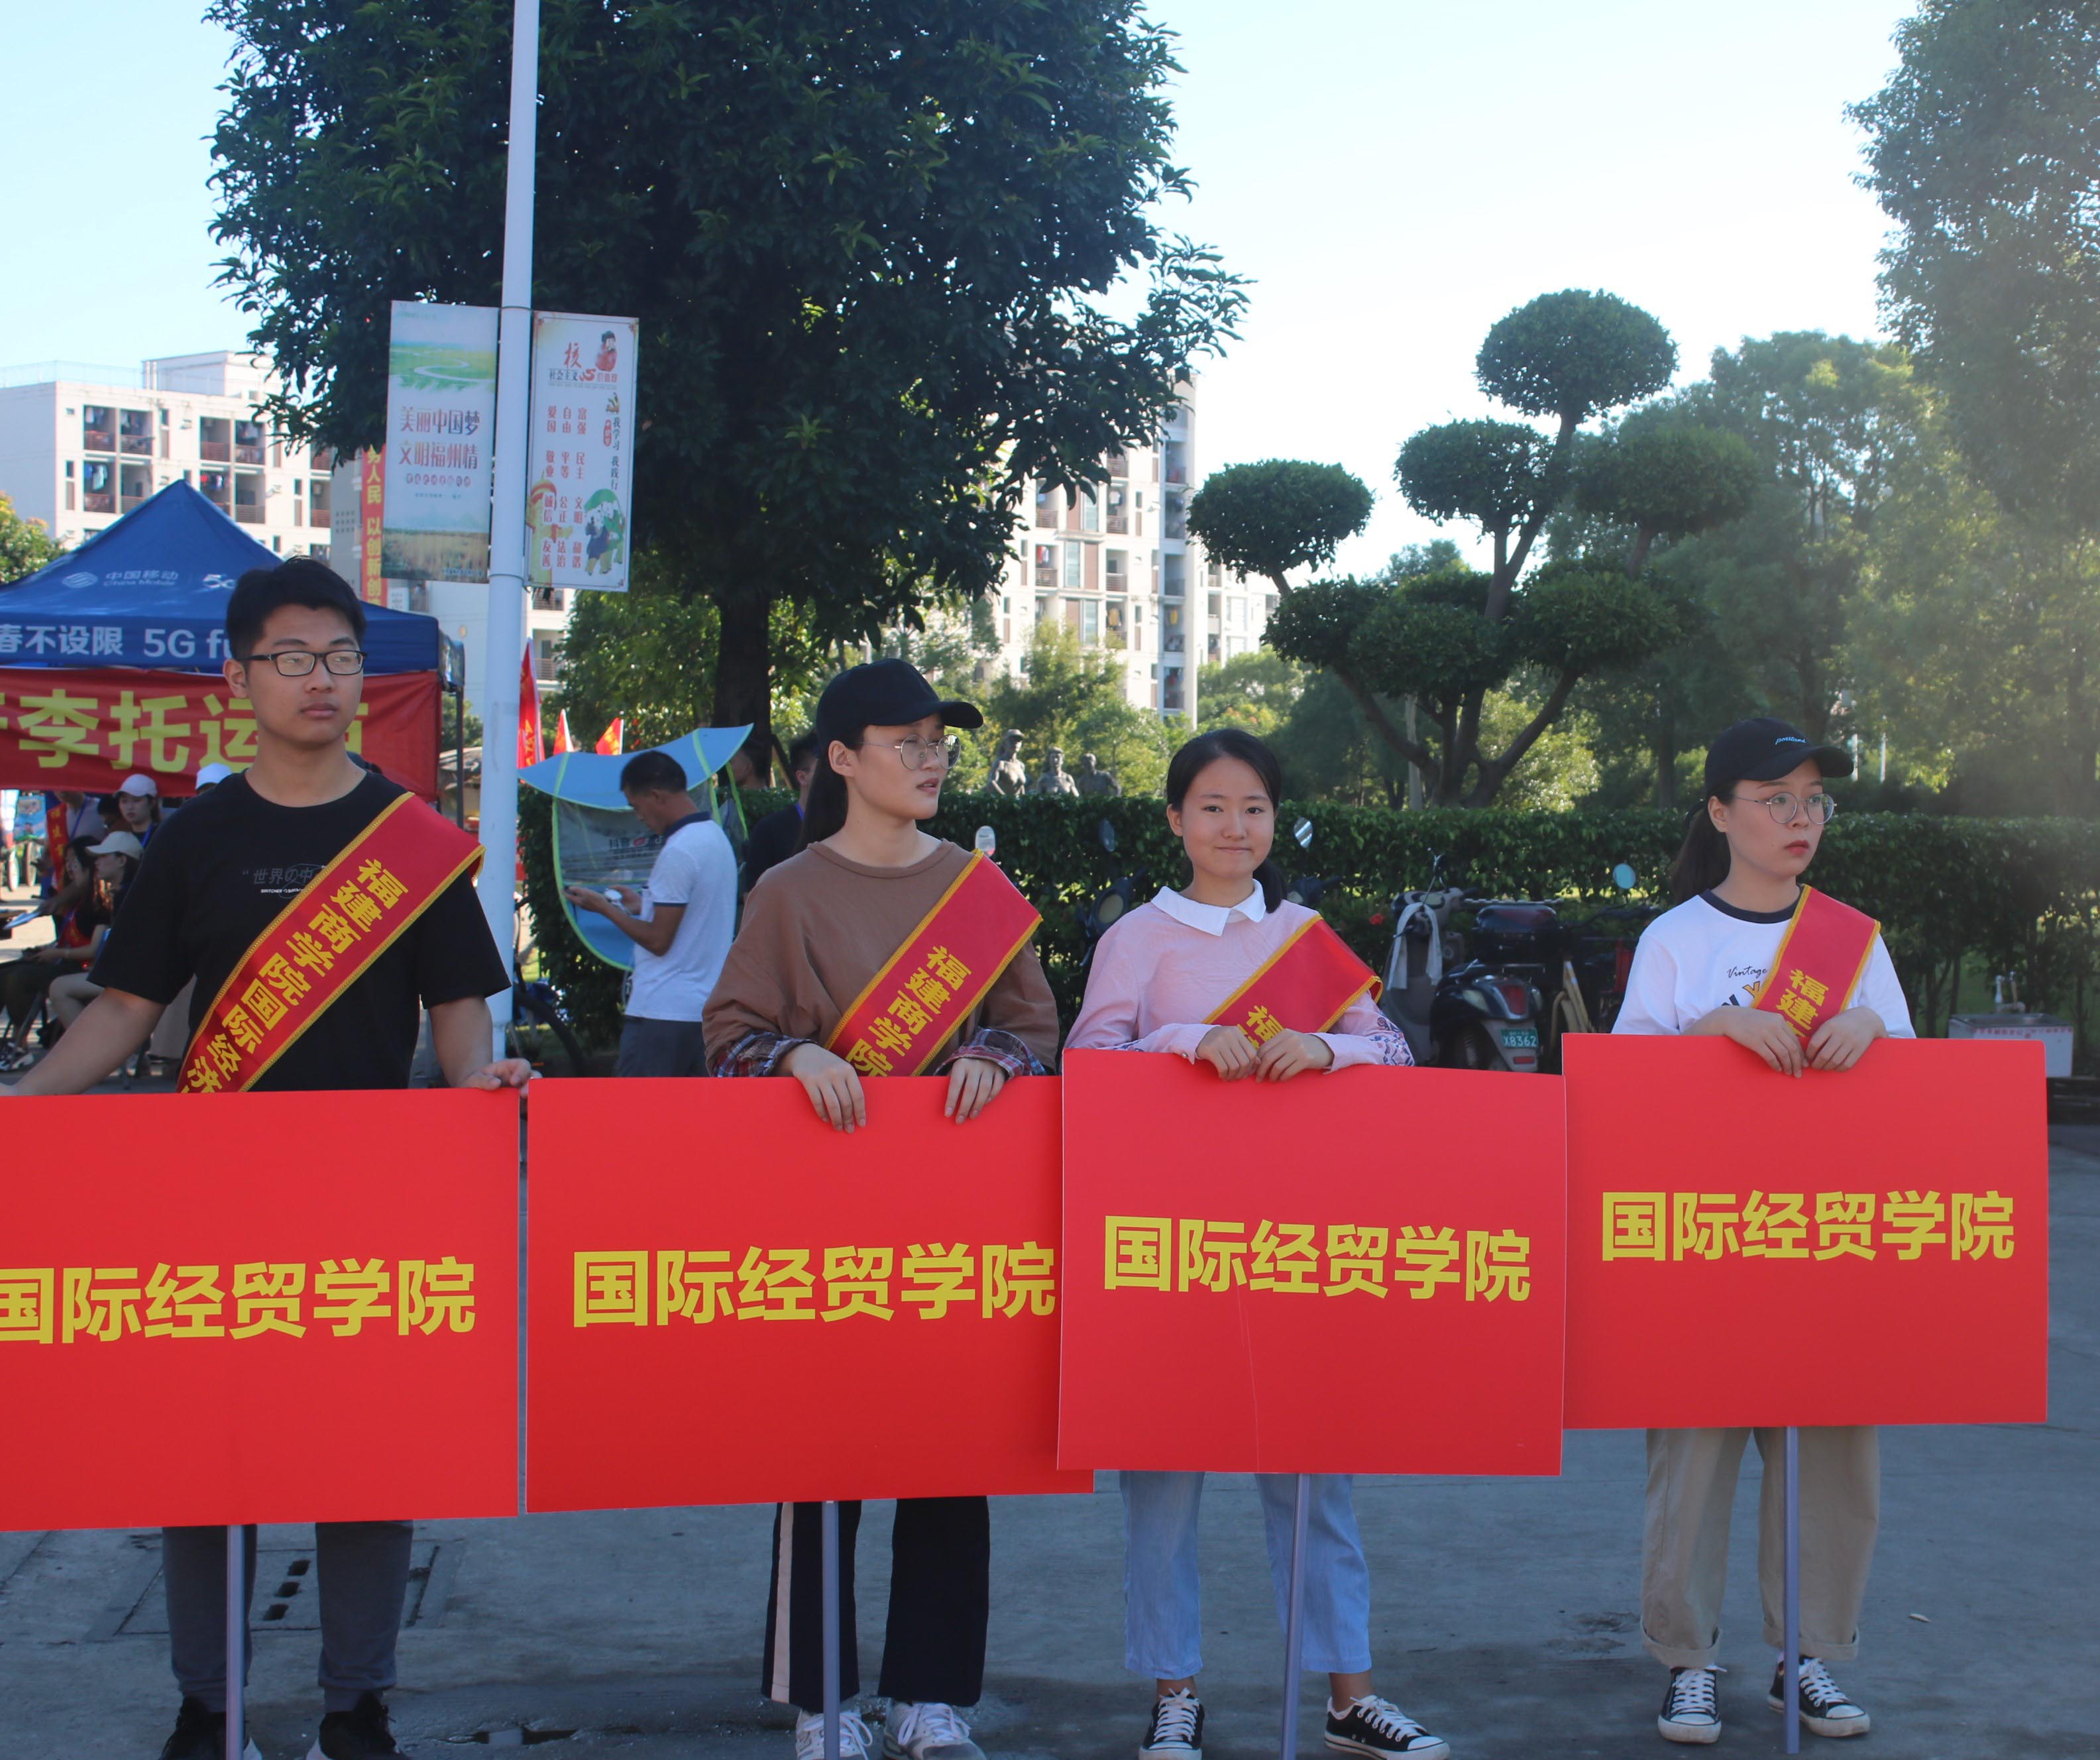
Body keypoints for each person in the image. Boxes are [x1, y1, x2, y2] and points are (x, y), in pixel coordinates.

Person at [1, 555, 529, 1760]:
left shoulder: (412, 840)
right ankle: (209, 1705)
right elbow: (124, 1007)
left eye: (339, 657)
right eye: (292, 657)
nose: (319, 678)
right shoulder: (197, 839)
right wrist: (23, 1110)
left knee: (365, 1458)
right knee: (209, 1458)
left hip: (373, 1194)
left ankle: (358, 1703)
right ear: (240, 678)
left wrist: (475, 1089)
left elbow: (458, 1010)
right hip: (215, 1196)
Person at [702, 657, 1060, 1760]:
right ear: (842, 760)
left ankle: (931, 1697)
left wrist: (996, 1055)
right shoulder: (787, 892)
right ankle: (823, 1702)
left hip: (954, 1219)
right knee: (823, 1459)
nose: (931, 759)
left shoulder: (979, 894)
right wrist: (793, 1053)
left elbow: (1035, 1029)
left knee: (950, 1455)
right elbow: (727, 1036)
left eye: (938, 741)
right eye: (907, 742)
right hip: (823, 1220)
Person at [1065, 730, 1441, 1760]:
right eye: (1214, 807)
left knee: (1315, 1473)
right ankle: (1173, 1693)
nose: (1236, 828)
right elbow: (1087, 1065)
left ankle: (1348, 1694)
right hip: (1172, 1244)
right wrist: (1186, 1041)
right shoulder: (1135, 938)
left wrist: (1321, 1046)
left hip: (1296, 1241)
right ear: (1175, 819)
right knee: (1164, 1479)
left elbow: (1390, 1052)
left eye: (1255, 808)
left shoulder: (1304, 935)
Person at [1614, 717, 1910, 1747]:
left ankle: (1809, 1655)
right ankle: (1687, 1661)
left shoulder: (1853, 943)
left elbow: (1916, 1094)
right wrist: (1712, 1030)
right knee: (1692, 1462)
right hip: (1702, 1249)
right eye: (1776, 798)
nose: (1800, 818)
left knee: (1830, 1460)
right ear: (1719, 811)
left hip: (1827, 1246)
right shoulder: (1674, 941)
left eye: (1814, 800)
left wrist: (1871, 1027)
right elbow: (1623, 1091)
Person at [564, 750, 736, 1077]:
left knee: (636, 1109)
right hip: (703, 1012)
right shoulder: (714, 837)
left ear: (656, 796)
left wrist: (603, 908)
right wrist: (643, 906)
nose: (639, 817)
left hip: (662, 1013)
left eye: (636, 806)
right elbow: (697, 915)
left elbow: (659, 941)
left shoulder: (679, 851)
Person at [0, 844, 105, 1072]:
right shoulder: (75, 900)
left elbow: (93, 951)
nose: (69, 867)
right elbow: (65, 940)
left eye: (74, 862)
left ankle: (20, 1043)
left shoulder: (101, 902)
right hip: (64, 960)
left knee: (21, 977)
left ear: (89, 867)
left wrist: (57, 953)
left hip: (82, 969)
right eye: (67, 861)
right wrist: (45, 950)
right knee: (5, 971)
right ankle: (9, 1042)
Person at [47, 830, 142, 1034]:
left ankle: (89, 1046)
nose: (96, 862)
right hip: (123, 975)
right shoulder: (124, 893)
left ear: (122, 861)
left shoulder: (127, 897)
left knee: (59, 987)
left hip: (128, 980)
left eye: (103, 856)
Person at [740, 730, 818, 892]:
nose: (834, 776)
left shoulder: (848, 828)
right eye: (824, 768)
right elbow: (753, 898)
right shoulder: (768, 832)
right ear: (802, 777)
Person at [114, 773, 164, 847]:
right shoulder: (119, 841)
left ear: (152, 803)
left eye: (136, 800)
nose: (130, 807)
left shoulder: (163, 836)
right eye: (124, 801)